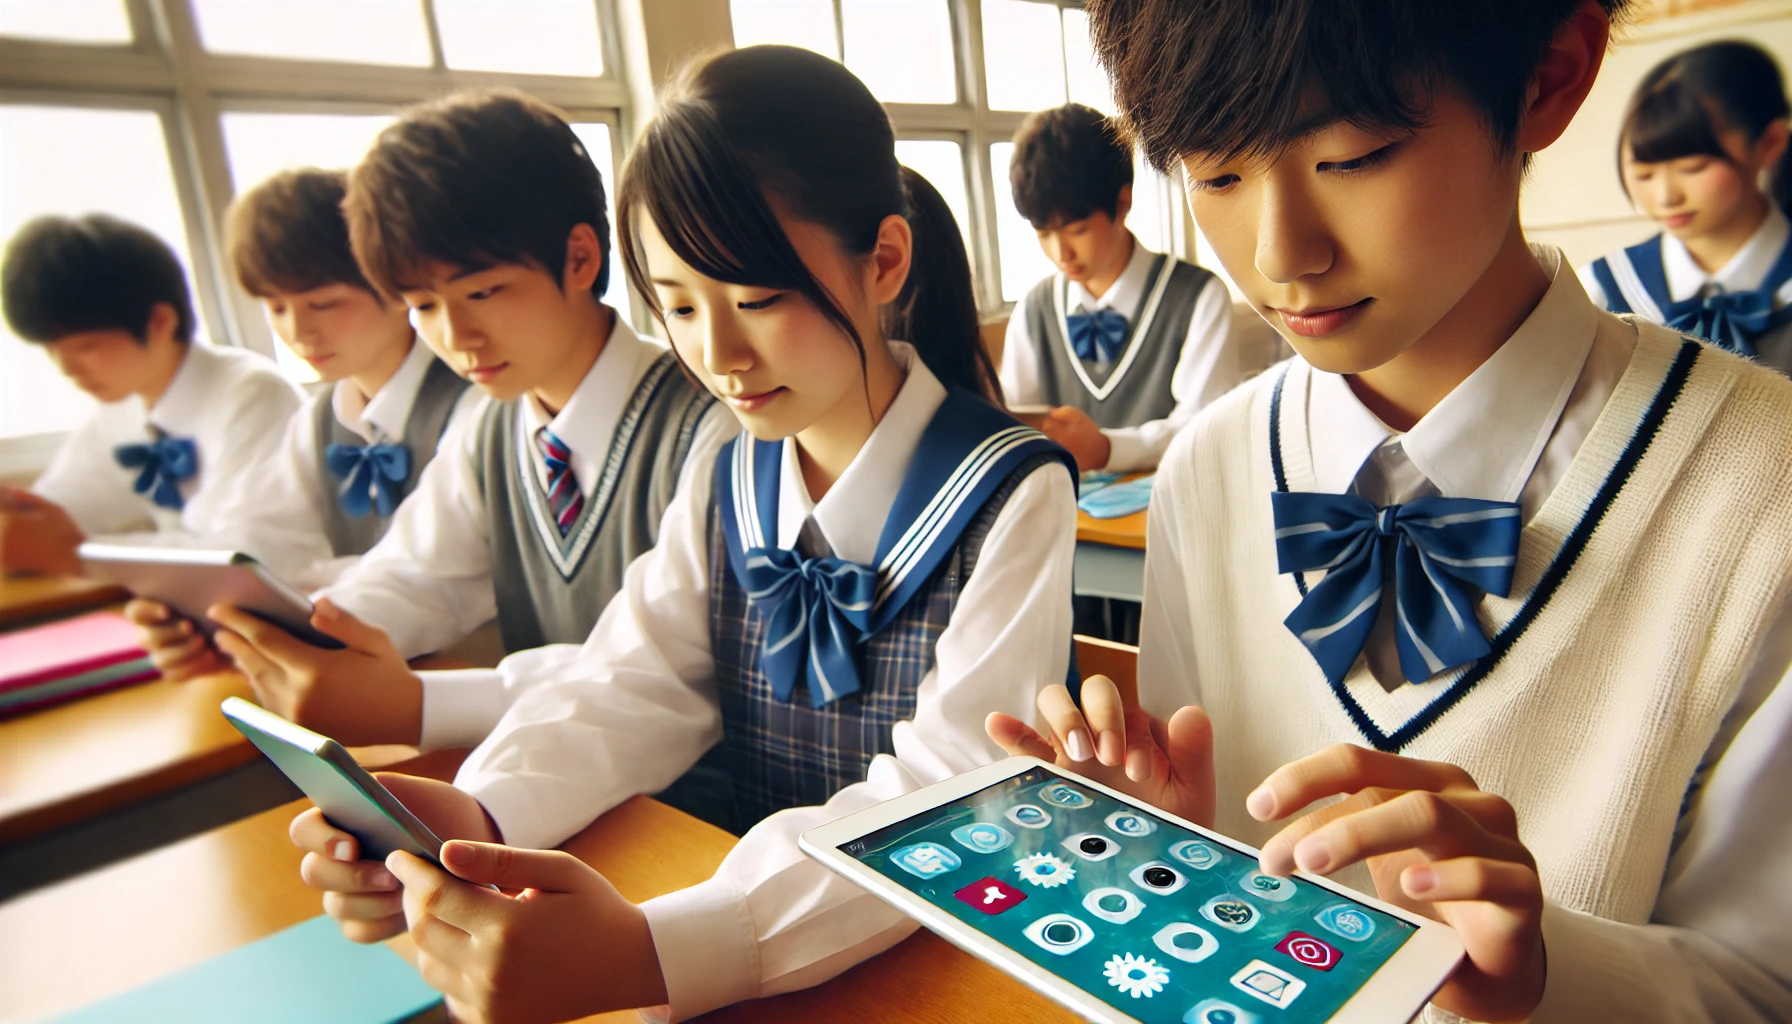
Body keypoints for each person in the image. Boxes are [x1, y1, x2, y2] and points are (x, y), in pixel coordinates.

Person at [990, 2, 1792, 1021]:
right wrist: (1161, 843)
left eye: (1354, 156)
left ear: (1548, 77)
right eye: (1215, 173)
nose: (1281, 254)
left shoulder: (1769, 488)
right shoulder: (1213, 465)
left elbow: (1766, 982)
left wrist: (1546, 971)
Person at [287, 46, 1078, 1023]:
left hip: (921, 976)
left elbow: (949, 795)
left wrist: (667, 947)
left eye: (754, 300)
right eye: (680, 304)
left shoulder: (1010, 487)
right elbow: (633, 678)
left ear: (883, 260)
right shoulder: (731, 471)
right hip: (756, 947)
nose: (718, 354)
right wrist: (475, 811)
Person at [195, 89, 735, 746]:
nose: (457, 337)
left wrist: (418, 701)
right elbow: (417, 574)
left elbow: (657, 669)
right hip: (548, 768)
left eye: (483, 292)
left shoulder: (710, 425)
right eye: (422, 305)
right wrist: (274, 637)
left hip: (687, 806)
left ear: (581, 258)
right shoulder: (490, 428)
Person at [126, 168, 481, 679]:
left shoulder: (472, 402)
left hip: (465, 675)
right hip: (368, 664)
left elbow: (435, 576)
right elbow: (259, 531)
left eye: (323, 303)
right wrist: (186, 598)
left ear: (395, 286)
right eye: (276, 308)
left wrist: (309, 594)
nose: (299, 331)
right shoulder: (319, 420)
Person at [0, 213, 300, 577]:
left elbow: (248, 556)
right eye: (51, 349)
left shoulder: (254, 396)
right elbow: (63, 507)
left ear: (159, 322)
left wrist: (77, 553)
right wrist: (19, 515)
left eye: (86, 346)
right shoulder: (124, 407)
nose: (66, 369)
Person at [1000, 102, 1236, 474]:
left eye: (1076, 230)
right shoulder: (1035, 309)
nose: (1060, 253)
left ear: (1123, 202)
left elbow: (1204, 428)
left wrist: (1107, 449)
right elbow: (1012, 421)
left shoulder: (1198, 297)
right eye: (1043, 234)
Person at [1583, 40, 1792, 373]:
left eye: (1693, 169)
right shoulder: (1603, 291)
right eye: (1645, 173)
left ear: (1770, 143)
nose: (1666, 197)